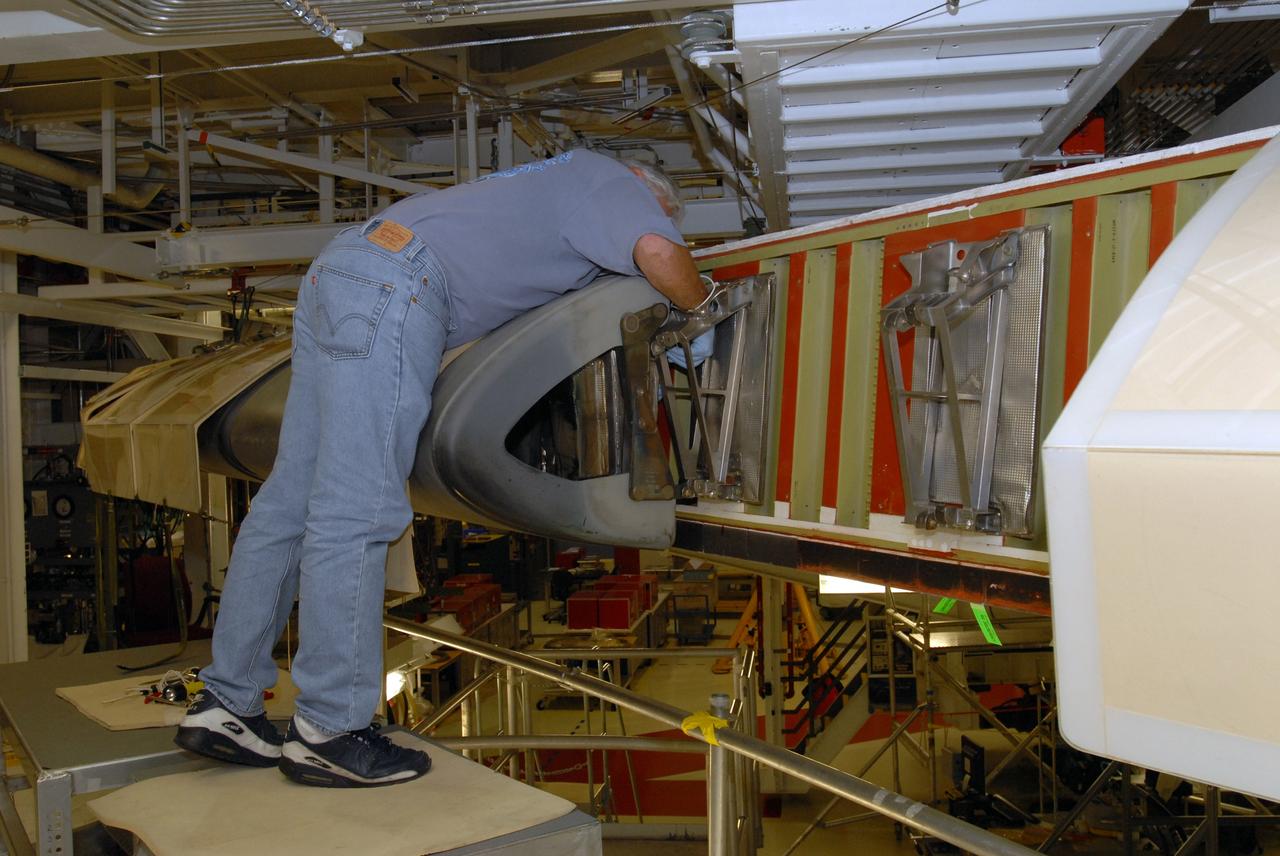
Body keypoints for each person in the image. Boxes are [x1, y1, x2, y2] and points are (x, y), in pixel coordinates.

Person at [174, 150, 707, 788]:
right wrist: (701, 321)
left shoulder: (542, 188)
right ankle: (329, 729)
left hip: (343, 271)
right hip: (394, 285)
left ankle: (228, 702)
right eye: (662, 212)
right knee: (359, 510)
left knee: (289, 504)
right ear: (653, 193)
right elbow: (657, 251)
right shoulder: (612, 179)